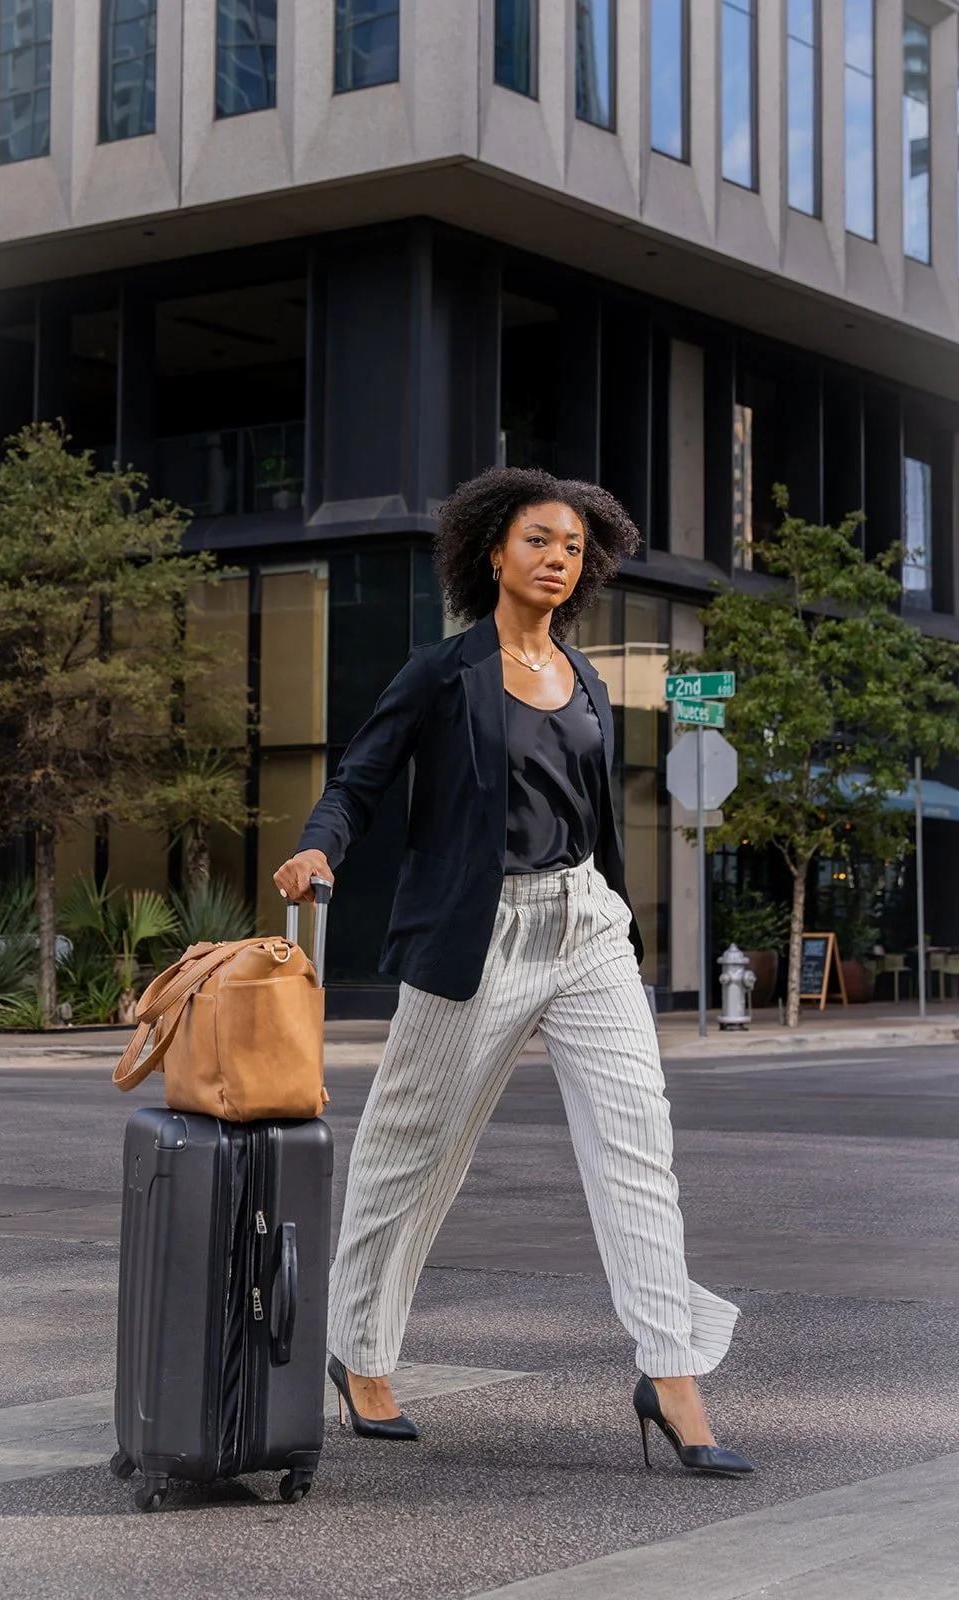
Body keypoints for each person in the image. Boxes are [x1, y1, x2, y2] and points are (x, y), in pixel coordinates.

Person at [274, 467, 752, 1477]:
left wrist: (613, 914)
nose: (555, 559)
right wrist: (319, 846)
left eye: (572, 547)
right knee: (408, 1152)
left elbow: (593, 818)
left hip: (585, 924)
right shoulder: (441, 672)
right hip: (474, 932)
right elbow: (359, 779)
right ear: (492, 552)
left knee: (638, 1147)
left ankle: (670, 1374)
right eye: (538, 540)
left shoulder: (585, 679)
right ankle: (359, 1350)